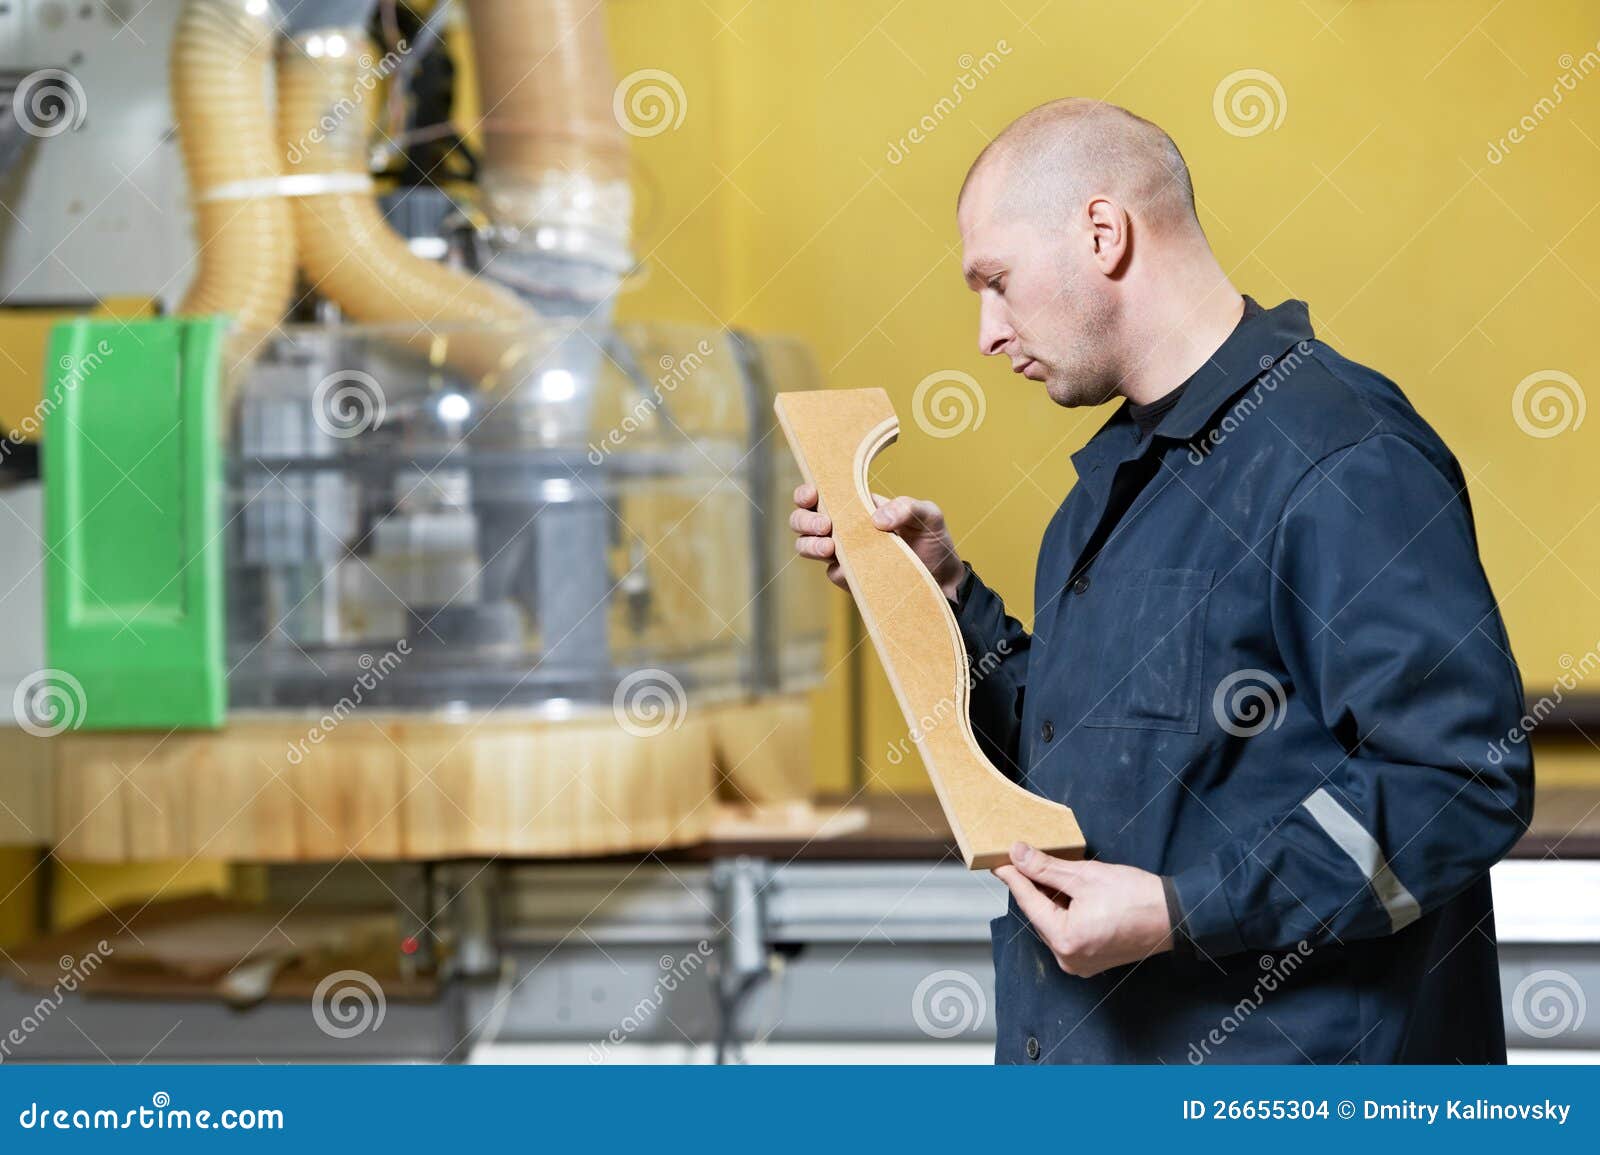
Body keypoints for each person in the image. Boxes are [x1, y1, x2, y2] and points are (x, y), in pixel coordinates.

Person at [790, 98, 1534, 1064]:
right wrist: (945, 597)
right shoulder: (1106, 497)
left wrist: (1181, 910)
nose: (985, 331)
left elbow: (1460, 779)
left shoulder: (1340, 456)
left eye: (997, 281)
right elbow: (1085, 764)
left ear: (1103, 232)